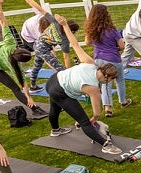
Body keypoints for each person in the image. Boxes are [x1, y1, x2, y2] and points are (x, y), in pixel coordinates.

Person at [46, 14, 123, 155]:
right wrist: (94, 119)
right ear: (106, 76)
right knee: (84, 122)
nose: (110, 82)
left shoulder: (90, 63)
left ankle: (55, 130)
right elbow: (96, 113)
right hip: (60, 90)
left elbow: (75, 44)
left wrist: (65, 25)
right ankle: (105, 145)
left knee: (55, 107)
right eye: (111, 79)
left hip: (53, 80)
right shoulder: (93, 89)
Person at [15, 0, 79, 94]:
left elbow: (38, 7)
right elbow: (66, 57)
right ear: (72, 32)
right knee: (60, 70)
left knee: (37, 66)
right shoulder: (65, 40)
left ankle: (33, 86)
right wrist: (68, 74)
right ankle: (66, 90)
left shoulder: (55, 22)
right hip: (42, 48)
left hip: (37, 45)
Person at [0, 0, 46, 116]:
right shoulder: (14, 65)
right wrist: (29, 97)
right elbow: (23, 83)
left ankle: (35, 109)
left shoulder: (10, 42)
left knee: (15, 88)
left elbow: (2, 20)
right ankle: (35, 109)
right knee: (15, 88)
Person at [84, 4, 132, 118]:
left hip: (98, 59)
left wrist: (98, 45)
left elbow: (87, 42)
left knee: (106, 83)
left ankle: (107, 108)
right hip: (113, 58)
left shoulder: (91, 29)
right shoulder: (112, 29)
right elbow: (122, 45)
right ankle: (123, 101)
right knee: (119, 80)